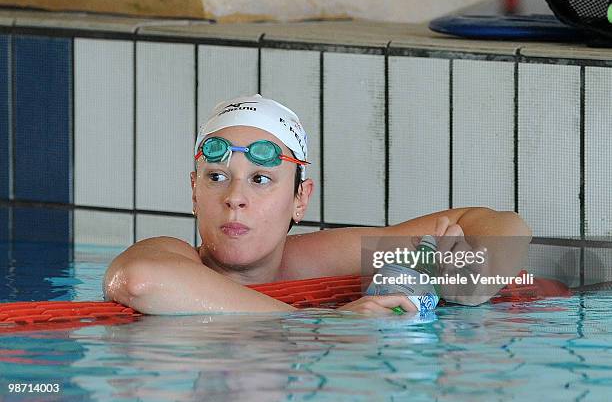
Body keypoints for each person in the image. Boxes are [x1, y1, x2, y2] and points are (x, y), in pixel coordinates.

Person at [104, 94, 532, 315]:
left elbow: (500, 223)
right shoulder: (172, 255)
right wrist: (321, 324)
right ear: (194, 192)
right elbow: (139, 281)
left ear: (300, 200)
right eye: (216, 178)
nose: (235, 198)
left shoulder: (309, 262)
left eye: (261, 180)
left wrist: (468, 279)